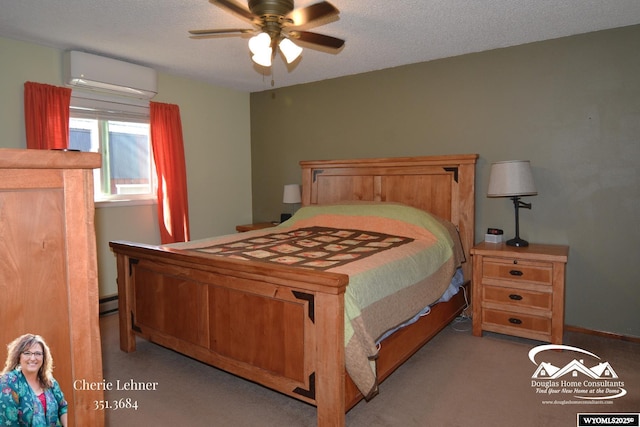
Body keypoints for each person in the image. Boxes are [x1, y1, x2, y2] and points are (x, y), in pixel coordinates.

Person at [0, 334, 68, 426]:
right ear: (18, 356)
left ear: (43, 358)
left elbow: (63, 407)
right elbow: (8, 422)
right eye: (27, 353)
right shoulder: (8, 382)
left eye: (38, 353)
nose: (33, 358)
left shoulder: (50, 382)